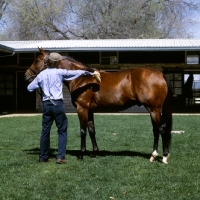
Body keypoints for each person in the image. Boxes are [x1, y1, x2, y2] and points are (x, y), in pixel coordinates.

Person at [27, 52, 101, 164]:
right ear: (57, 63)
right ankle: (60, 157)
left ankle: (43, 157)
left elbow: (29, 88)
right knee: (62, 130)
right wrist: (91, 72)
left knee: (45, 131)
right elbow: (77, 73)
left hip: (46, 105)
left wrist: (41, 85)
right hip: (57, 105)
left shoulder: (40, 75)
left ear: (47, 62)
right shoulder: (60, 72)